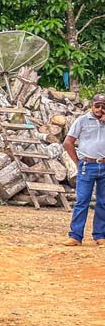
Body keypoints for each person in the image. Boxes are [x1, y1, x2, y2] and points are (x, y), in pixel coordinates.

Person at [63, 94, 105, 246]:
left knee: (103, 202)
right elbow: (68, 143)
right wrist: (78, 162)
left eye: (103, 106)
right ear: (92, 106)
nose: (100, 109)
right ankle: (75, 236)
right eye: (97, 106)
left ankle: (100, 235)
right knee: (82, 200)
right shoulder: (82, 121)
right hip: (87, 165)